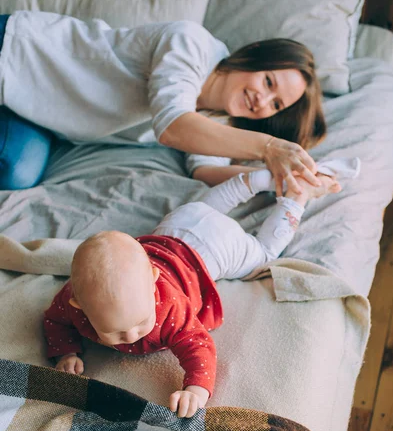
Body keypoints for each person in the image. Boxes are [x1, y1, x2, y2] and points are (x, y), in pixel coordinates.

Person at [43, 156, 360, 417]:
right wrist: (65, 350)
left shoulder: (166, 307)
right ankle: (257, 180)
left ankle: (296, 198)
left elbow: (198, 346)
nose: (131, 337)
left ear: (154, 283)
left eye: (140, 323)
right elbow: (53, 320)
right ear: (78, 306)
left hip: (215, 249)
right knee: (209, 205)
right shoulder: (72, 299)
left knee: (263, 254)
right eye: (113, 332)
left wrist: (196, 387)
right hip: (178, 223)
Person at [0, 11, 326, 192]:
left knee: (19, 171)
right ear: (254, 54)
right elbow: (173, 126)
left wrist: (278, 179)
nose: (262, 101)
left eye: (275, 104)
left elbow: (206, 169)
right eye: (268, 82)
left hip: (42, 116)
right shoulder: (190, 42)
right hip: (20, 54)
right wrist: (269, 148)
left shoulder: (217, 119)